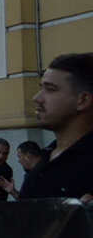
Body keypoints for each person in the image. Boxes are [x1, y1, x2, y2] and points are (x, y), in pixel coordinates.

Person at [16, 53, 93, 202]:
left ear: (82, 100)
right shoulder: (44, 160)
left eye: (50, 89)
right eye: (41, 88)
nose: (37, 98)